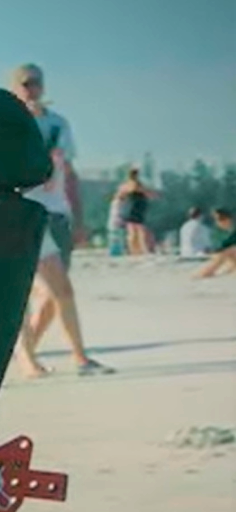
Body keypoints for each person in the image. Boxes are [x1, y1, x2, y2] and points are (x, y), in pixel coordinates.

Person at [8, 63, 111, 378]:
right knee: (27, 291)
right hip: (26, 213)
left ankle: (39, 354)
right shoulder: (10, 124)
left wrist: (79, 218)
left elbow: (69, 173)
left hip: (57, 212)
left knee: (58, 293)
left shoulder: (58, 124)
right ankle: (44, 358)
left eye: (36, 83)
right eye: (25, 83)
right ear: (15, 87)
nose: (31, 88)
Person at [113, 167, 158, 255]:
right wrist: (154, 195)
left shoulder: (125, 185)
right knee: (138, 230)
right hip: (135, 209)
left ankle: (133, 250)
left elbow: (118, 197)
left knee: (132, 231)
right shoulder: (136, 185)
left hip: (130, 208)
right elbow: (147, 193)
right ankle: (138, 249)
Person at [195, 208, 236, 279]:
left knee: (228, 252)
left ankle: (205, 273)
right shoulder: (216, 232)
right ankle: (204, 273)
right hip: (223, 255)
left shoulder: (230, 232)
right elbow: (217, 246)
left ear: (229, 219)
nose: (220, 222)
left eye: (222, 219)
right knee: (226, 253)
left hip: (226, 255)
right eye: (218, 219)